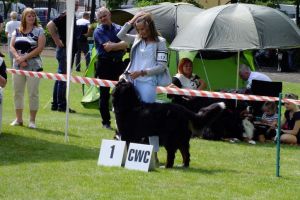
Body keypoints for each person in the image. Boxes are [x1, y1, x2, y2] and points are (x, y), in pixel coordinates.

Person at [117, 11, 169, 165]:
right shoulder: (137, 39)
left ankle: (154, 154)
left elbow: (162, 66)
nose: (141, 32)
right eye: (138, 29)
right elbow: (120, 35)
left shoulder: (161, 42)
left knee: (149, 120)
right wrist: (133, 20)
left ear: (150, 27)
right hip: (131, 82)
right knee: (127, 118)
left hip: (148, 83)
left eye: (143, 29)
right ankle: (128, 150)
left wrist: (143, 72)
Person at [10, 8, 46, 128]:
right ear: (24, 17)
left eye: (33, 16)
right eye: (29, 16)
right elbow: (11, 46)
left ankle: (32, 121)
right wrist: (18, 58)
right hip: (18, 66)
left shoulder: (39, 31)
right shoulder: (17, 31)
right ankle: (19, 119)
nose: (31, 18)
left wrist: (25, 58)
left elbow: (40, 48)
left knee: (33, 94)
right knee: (17, 93)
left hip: (34, 66)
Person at [93, 7, 127, 130]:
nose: (103, 18)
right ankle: (105, 122)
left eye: (104, 15)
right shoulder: (98, 31)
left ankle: (123, 121)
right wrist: (120, 45)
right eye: (100, 17)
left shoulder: (119, 28)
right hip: (104, 65)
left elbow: (127, 44)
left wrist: (115, 45)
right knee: (104, 95)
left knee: (123, 93)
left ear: (109, 14)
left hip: (119, 64)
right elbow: (107, 48)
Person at [48, 2, 79, 113]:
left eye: (77, 4)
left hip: (68, 50)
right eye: (74, 3)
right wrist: (56, 40)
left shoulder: (71, 15)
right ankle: (61, 105)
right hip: (65, 51)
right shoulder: (66, 14)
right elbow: (50, 25)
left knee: (60, 77)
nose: (76, 6)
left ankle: (55, 104)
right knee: (63, 78)